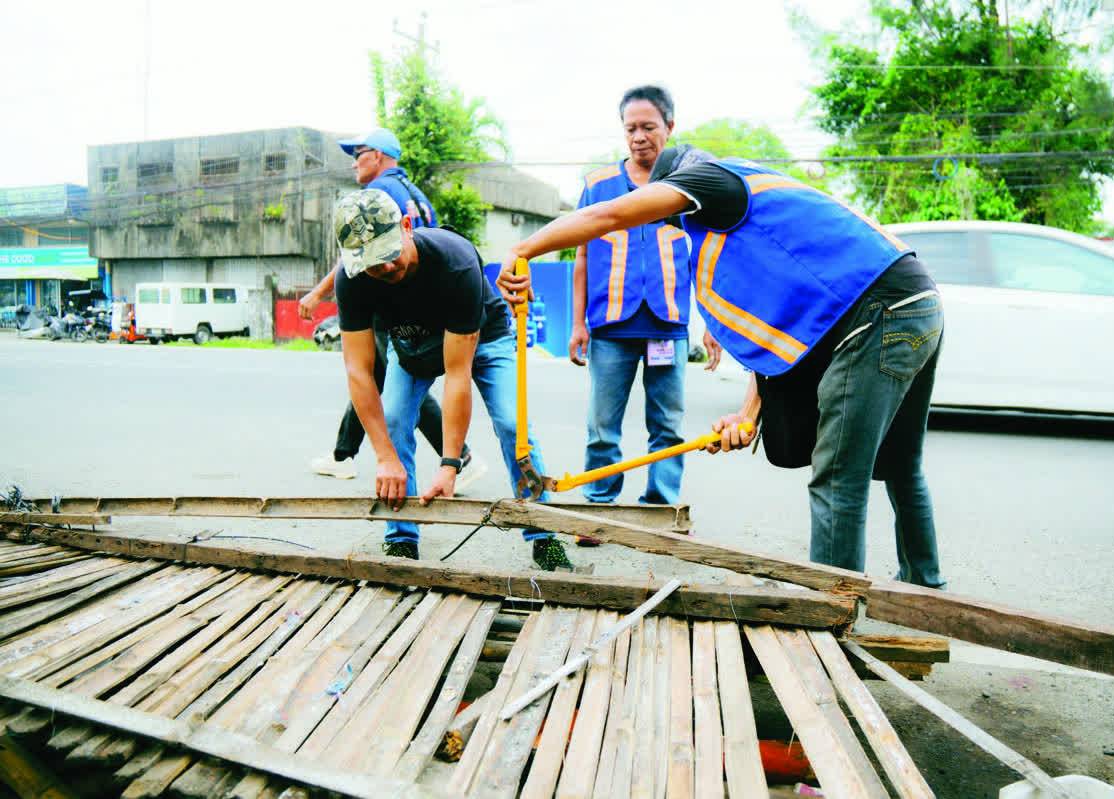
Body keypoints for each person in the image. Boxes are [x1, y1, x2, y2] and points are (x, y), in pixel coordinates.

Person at [497, 145, 945, 587]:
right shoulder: (747, 230)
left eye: (669, 212)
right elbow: (778, 336)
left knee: (837, 476)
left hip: (880, 311)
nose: (672, 222)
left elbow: (607, 216)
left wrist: (524, 248)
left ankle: (832, 606)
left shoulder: (714, 181)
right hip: (915, 302)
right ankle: (925, 586)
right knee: (902, 465)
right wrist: (746, 415)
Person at [332, 188, 572, 570]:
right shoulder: (353, 278)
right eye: (374, 265)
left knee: (514, 425)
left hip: (483, 338)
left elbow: (457, 374)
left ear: (407, 227)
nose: (385, 270)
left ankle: (543, 534)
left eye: (390, 256)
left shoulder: (453, 261)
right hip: (411, 344)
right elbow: (358, 371)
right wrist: (383, 457)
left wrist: (449, 464)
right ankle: (400, 537)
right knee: (393, 422)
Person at [570, 87, 721, 542]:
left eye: (648, 127)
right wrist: (578, 324)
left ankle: (662, 513)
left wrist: (712, 326)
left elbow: (708, 259)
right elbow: (580, 257)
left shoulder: (688, 186)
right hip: (611, 326)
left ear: (670, 129)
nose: (639, 137)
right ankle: (598, 509)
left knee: (668, 426)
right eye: (631, 128)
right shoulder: (598, 186)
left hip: (668, 327)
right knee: (602, 426)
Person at [302, 128, 485, 490]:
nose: (354, 162)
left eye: (359, 153)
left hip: (405, 302)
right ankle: (345, 453)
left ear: (380, 155)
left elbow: (368, 255)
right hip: (418, 297)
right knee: (381, 381)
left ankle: (458, 455)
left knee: (391, 384)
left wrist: (317, 294)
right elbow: (357, 261)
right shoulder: (410, 191)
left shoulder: (376, 195)